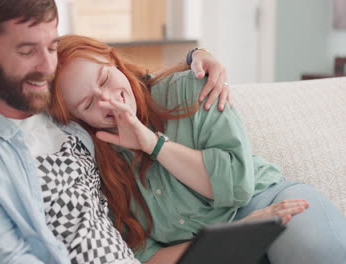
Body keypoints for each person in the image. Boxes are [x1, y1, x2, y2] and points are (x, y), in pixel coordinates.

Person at [0, 0, 232, 263]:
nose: (49, 65)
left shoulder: (71, 115)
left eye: (51, 46)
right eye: (27, 51)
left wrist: (195, 58)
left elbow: (137, 85)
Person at [50, 34, 346, 264]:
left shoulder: (188, 88)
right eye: (88, 104)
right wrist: (234, 236)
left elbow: (237, 184)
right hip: (206, 250)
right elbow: (146, 256)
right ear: (78, 119)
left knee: (316, 250)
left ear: (112, 59)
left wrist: (151, 144)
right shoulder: (96, 165)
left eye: (103, 79)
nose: (108, 101)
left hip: (267, 201)